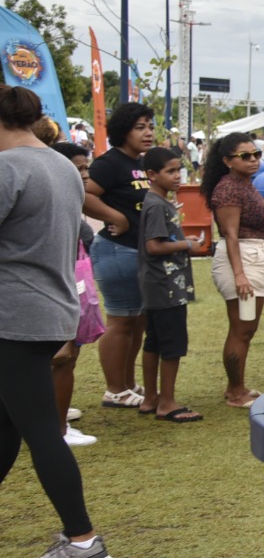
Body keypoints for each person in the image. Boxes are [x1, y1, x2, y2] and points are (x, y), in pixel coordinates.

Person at [0, 85, 111, 558]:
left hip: (16, 315)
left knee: (42, 430)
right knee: (11, 424)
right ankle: (82, 539)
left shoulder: (9, 168)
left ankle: (83, 540)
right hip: (47, 308)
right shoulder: (61, 165)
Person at [82, 101, 156, 409]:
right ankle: (114, 389)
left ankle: (127, 384)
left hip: (136, 251)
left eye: (150, 126)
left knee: (136, 322)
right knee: (121, 322)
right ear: (123, 131)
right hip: (116, 249)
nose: (148, 133)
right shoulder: (110, 162)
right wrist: (117, 217)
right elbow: (84, 195)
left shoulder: (137, 162)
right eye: (140, 127)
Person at [201, 131, 264, 408]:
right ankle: (236, 393)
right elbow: (230, 234)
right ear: (227, 161)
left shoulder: (242, 182)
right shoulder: (229, 188)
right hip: (243, 262)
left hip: (252, 260)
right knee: (242, 330)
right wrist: (239, 275)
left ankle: (237, 387)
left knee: (245, 328)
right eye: (244, 156)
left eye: (256, 154)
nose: (253, 160)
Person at [136, 147, 206, 422]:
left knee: (154, 341)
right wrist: (189, 244)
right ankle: (167, 401)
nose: (178, 176)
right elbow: (153, 245)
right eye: (171, 171)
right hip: (165, 286)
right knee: (172, 345)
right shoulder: (156, 204)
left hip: (158, 284)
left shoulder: (158, 202)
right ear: (152, 175)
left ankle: (151, 398)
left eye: (180, 170)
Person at [48, 142, 98, 446]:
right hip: (55, 289)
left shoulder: (72, 198)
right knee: (61, 357)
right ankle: (58, 429)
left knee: (69, 354)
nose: (83, 174)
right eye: (77, 168)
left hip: (72, 287)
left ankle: (58, 415)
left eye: (85, 168)